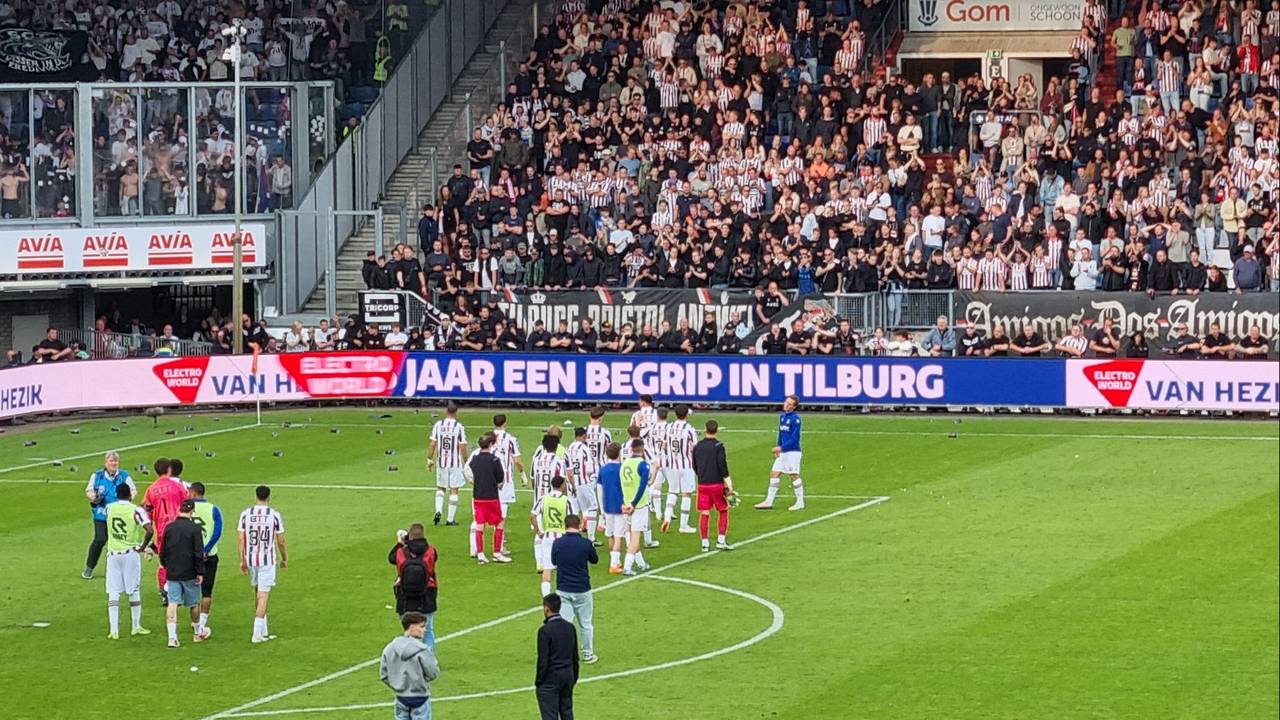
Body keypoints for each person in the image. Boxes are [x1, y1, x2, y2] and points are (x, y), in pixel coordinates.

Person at [238, 485, 287, 643]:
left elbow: (241, 538)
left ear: (256, 496)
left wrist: (242, 560)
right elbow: (280, 540)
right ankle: (256, 633)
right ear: (269, 497)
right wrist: (284, 557)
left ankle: (263, 630)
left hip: (251, 558)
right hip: (267, 560)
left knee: (258, 592)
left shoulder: (246, 514)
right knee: (263, 595)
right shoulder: (274, 515)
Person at [103, 483, 153, 639]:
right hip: (130, 553)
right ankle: (136, 626)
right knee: (133, 589)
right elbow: (150, 530)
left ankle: (114, 630)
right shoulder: (136, 510)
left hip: (113, 554)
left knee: (113, 591)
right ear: (130, 495)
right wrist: (143, 546)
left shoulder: (109, 508)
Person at [551, 514, 598, 664]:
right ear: (579, 525)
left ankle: (563, 655)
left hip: (563, 589)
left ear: (565, 525)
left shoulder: (557, 543)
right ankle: (588, 653)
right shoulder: (585, 543)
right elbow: (594, 560)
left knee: (564, 624)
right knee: (585, 623)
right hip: (582, 589)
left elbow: (554, 561)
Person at [379, 611, 441, 720]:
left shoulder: (389, 648)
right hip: (420, 698)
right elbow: (433, 673)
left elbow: (384, 675)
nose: (424, 630)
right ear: (412, 627)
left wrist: (398, 684)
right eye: (421, 627)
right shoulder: (423, 650)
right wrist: (421, 681)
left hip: (400, 697)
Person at [84, 451, 135, 580]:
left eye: (115, 461)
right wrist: (94, 497)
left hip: (119, 514)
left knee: (119, 541)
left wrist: (127, 501)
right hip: (101, 514)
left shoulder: (124, 475)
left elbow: (133, 490)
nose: (113, 463)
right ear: (105, 462)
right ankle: (89, 567)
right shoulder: (97, 475)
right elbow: (89, 490)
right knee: (100, 539)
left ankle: (119, 570)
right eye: (111, 461)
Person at [160, 499, 205, 648]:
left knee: (173, 602)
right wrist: (200, 571)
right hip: (189, 571)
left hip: (173, 571)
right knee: (194, 603)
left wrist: (165, 564)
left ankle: (172, 638)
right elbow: (198, 552)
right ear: (192, 511)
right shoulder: (195, 528)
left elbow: (162, 549)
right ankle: (197, 633)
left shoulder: (169, 527)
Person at [388, 524, 438, 651]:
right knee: (427, 630)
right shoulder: (431, 551)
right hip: (427, 592)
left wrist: (401, 543)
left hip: (405, 594)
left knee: (408, 629)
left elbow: (392, 558)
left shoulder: (401, 552)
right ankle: (428, 659)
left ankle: (410, 658)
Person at [142, 457, 187, 597]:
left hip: (162, 529)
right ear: (169, 469)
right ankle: (177, 589)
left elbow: (146, 509)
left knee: (163, 562)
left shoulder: (151, 489)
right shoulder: (177, 486)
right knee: (180, 558)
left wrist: (151, 523)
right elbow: (187, 504)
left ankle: (164, 591)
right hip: (178, 527)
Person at [754, 396, 805, 511]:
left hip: (793, 452)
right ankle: (769, 501)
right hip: (783, 452)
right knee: (774, 474)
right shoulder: (782, 417)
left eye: (790, 404)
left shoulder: (795, 419)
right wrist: (779, 447)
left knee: (794, 475)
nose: (787, 405)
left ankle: (800, 502)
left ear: (794, 407)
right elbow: (781, 434)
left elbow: (794, 439)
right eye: (786, 402)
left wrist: (781, 447)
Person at [692, 419, 734, 552]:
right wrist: (729, 484)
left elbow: (694, 465)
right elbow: (723, 465)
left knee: (704, 512)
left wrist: (701, 475)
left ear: (705, 429)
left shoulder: (697, 446)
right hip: (716, 484)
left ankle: (704, 543)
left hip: (703, 484)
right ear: (716, 430)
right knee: (723, 510)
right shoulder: (719, 446)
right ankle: (721, 540)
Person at [469, 432, 511, 565]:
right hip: (491, 497)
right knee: (499, 522)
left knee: (479, 524)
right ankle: (497, 552)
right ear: (491, 444)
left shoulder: (475, 459)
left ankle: (480, 554)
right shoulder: (494, 460)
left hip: (478, 497)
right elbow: (500, 478)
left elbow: (469, 472)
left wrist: (475, 481)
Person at [535, 594, 579, 720]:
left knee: (550, 715)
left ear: (546, 609)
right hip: (568, 676)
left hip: (551, 679)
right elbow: (575, 656)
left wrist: (539, 681)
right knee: (567, 712)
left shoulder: (545, 631)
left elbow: (543, 660)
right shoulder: (570, 627)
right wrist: (574, 676)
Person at [188, 482, 223, 642]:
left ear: (194, 493)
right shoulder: (213, 509)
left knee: (193, 591)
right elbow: (217, 532)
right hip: (209, 556)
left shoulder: (185, 508)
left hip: (191, 556)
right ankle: (202, 624)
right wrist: (207, 549)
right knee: (207, 591)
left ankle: (195, 625)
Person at [531, 475, 575, 596]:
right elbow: (573, 519)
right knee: (564, 567)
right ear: (562, 485)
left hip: (547, 536)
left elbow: (533, 516)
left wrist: (538, 531)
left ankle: (546, 596)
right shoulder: (567, 500)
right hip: (562, 537)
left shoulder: (543, 499)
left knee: (547, 568)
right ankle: (564, 593)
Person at [428, 402, 469, 527]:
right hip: (455, 463)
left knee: (441, 488)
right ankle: (450, 520)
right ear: (456, 412)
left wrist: (429, 459)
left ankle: (438, 510)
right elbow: (462, 446)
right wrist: (467, 461)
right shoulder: (459, 426)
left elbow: (432, 444)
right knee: (454, 490)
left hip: (441, 462)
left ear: (446, 412)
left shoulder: (438, 425)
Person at [491, 414, 526, 554]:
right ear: (505, 423)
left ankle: (478, 548)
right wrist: (522, 475)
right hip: (505, 480)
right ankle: (499, 545)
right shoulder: (511, 439)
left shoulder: (488, 437)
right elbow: (517, 461)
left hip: (490, 479)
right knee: (502, 511)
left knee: (488, 511)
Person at [661, 405, 698, 534]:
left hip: (672, 465)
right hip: (686, 465)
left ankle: (667, 517)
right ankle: (683, 525)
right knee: (686, 493)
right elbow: (694, 448)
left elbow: (664, 444)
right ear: (686, 415)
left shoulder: (669, 427)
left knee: (672, 492)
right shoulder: (689, 429)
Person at [619, 438, 653, 576]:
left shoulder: (624, 463)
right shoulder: (642, 464)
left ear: (631, 449)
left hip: (626, 504)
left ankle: (641, 563)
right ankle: (627, 566)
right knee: (635, 536)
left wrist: (624, 503)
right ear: (643, 450)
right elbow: (643, 485)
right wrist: (633, 504)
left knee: (630, 533)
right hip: (638, 506)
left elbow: (620, 485)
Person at [565, 427, 600, 545]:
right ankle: (591, 538)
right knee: (593, 507)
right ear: (584, 436)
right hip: (584, 482)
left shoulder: (569, 447)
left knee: (574, 510)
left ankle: (573, 536)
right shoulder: (585, 449)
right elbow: (590, 468)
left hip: (571, 483)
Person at [597, 443, 627, 573]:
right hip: (620, 506)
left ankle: (615, 561)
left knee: (610, 534)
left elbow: (599, 489)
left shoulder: (603, 469)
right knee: (619, 535)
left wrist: (601, 509)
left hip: (607, 506)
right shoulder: (622, 468)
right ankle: (614, 564)